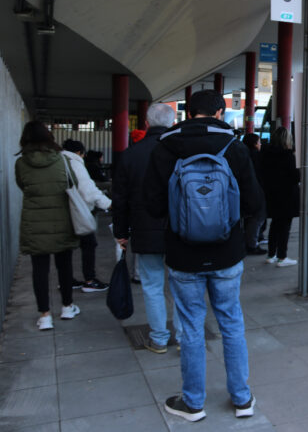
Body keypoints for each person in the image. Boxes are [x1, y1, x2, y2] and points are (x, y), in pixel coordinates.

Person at [144, 90, 263, 422]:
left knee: (191, 327)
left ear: (188, 113)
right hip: (227, 254)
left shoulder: (165, 147)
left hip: (183, 255)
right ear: (220, 113)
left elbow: (153, 206)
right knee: (231, 323)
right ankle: (242, 399)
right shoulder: (234, 147)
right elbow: (254, 203)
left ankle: (193, 402)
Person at [112, 104, 183, 354]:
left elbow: (119, 199)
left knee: (152, 286)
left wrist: (121, 232)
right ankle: (184, 337)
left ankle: (159, 339)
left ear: (146, 123)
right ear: (173, 123)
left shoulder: (130, 155)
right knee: (181, 286)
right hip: (179, 231)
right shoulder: (181, 151)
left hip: (144, 229)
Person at [15, 121, 81, 330]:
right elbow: (73, 184)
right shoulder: (62, 159)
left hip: (34, 223)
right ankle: (67, 307)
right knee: (65, 265)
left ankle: (44, 316)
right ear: (48, 137)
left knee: (39, 269)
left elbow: (22, 186)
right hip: (62, 220)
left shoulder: (21, 163)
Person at [61, 139, 112, 293]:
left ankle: (66, 280)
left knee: (65, 248)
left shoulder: (58, 161)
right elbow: (87, 189)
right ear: (79, 153)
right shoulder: (75, 163)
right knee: (89, 244)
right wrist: (107, 204)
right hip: (77, 210)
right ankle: (89, 280)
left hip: (61, 211)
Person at [261, 126, 300, 267]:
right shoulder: (288, 156)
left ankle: (271, 255)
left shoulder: (265, 154)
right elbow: (295, 177)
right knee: (284, 227)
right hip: (287, 196)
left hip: (271, 195)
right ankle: (282, 257)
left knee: (274, 225)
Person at [242, 133, 267, 255]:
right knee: (257, 217)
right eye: (259, 142)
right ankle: (252, 244)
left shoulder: (244, 155)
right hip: (255, 190)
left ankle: (251, 240)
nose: (260, 144)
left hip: (246, 190)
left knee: (250, 218)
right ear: (254, 144)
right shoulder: (256, 156)